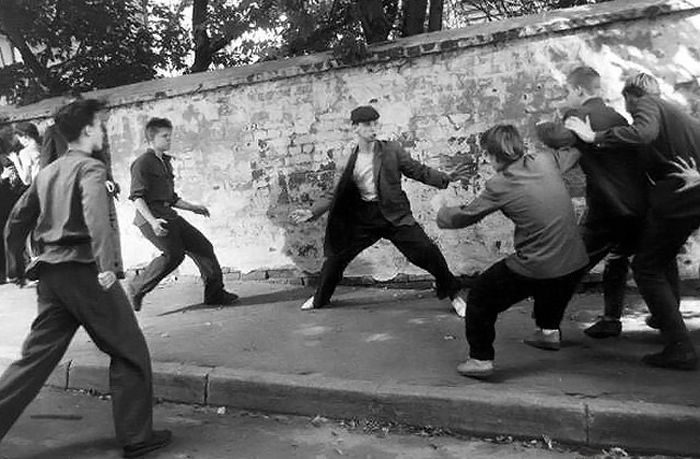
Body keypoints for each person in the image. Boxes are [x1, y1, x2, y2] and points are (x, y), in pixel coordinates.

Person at [0, 99, 171, 457]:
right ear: (88, 130)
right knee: (130, 351)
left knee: (33, 360)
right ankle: (136, 437)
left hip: (51, 276)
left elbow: (17, 219)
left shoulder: (47, 172)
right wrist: (106, 266)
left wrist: (15, 265)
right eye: (99, 125)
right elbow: (95, 216)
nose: (103, 131)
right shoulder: (90, 168)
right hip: (85, 273)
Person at [566, 73, 700, 370]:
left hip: (679, 199)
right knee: (662, 256)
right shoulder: (677, 115)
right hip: (689, 193)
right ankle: (666, 316)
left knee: (646, 267)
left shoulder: (647, 104)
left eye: (628, 105)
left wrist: (593, 137)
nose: (628, 113)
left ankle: (680, 347)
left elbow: (643, 133)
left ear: (630, 96)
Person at [437, 125, 588, 378]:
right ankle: (549, 332)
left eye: (487, 154)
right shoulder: (545, 160)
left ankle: (480, 360)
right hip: (575, 260)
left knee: (480, 298)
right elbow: (573, 151)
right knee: (553, 284)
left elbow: (466, 216)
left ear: (492, 154)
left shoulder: (500, 184)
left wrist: (442, 212)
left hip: (539, 264)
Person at [290, 106, 470, 316]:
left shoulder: (392, 150)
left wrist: (445, 178)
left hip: (395, 216)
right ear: (355, 127)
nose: (373, 128)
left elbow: (417, 170)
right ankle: (320, 298)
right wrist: (312, 212)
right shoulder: (347, 160)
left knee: (428, 253)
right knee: (336, 258)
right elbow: (334, 193)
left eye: (375, 123)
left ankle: (455, 295)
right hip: (363, 218)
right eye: (367, 124)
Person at [536, 66, 650, 338]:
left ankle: (548, 330)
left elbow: (558, 138)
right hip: (638, 206)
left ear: (579, 90)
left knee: (570, 263)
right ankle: (612, 319)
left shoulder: (579, 115)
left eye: (567, 91)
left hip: (608, 208)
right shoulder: (617, 117)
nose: (567, 96)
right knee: (619, 259)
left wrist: (540, 125)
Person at [127, 117, 238, 310]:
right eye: (164, 136)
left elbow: (171, 198)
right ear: (151, 139)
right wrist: (153, 222)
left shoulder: (165, 162)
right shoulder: (142, 163)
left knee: (203, 247)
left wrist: (193, 207)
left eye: (170, 136)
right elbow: (137, 198)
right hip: (151, 219)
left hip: (168, 215)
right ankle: (136, 288)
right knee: (174, 255)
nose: (169, 139)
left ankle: (215, 294)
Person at [7, 122, 41, 186]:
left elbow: (26, 181)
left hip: (38, 186)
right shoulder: (42, 147)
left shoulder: (25, 152)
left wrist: (16, 161)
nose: (20, 141)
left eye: (19, 138)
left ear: (25, 137)